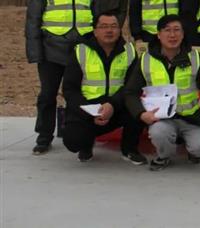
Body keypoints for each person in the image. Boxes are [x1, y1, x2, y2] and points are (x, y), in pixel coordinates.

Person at [25, 0, 97, 155]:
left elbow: (96, 15)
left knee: (79, 95)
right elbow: (33, 19)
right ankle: (44, 136)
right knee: (47, 95)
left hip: (81, 50)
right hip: (51, 50)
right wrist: (35, 52)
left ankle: (81, 136)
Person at [124, 15, 200, 171]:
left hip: (191, 118)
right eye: (167, 30)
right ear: (158, 34)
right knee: (159, 133)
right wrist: (141, 114)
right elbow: (130, 92)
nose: (172, 35)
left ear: (183, 34)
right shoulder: (146, 59)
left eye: (177, 30)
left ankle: (193, 152)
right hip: (162, 119)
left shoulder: (195, 57)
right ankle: (164, 156)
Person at [62, 13, 145, 164]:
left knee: (137, 106)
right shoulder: (80, 51)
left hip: (118, 104)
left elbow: (132, 87)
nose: (109, 30)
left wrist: (112, 105)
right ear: (95, 31)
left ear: (119, 30)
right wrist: (90, 111)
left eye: (114, 26)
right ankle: (86, 145)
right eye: (104, 26)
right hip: (88, 106)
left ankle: (129, 149)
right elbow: (69, 89)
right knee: (73, 140)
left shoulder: (130, 51)